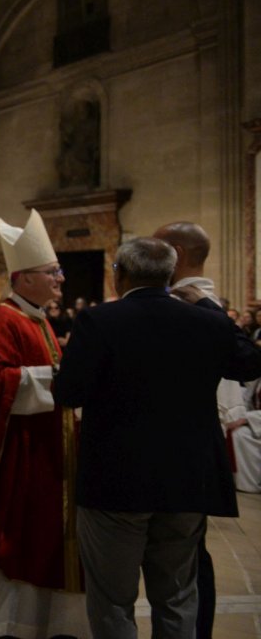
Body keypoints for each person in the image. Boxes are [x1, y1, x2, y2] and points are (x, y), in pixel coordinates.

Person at [55, 237, 261, 639]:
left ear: (119, 275)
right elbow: (249, 362)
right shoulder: (206, 321)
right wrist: (208, 306)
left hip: (116, 481)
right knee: (178, 596)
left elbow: (69, 394)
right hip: (186, 480)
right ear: (170, 276)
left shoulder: (99, 321)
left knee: (113, 599)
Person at [0, 208, 88, 639]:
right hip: (20, 456)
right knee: (22, 537)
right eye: (53, 272)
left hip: (47, 450)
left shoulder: (37, 317)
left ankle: (44, 623)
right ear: (24, 277)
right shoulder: (4, 319)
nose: (61, 280)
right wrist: (57, 379)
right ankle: (11, 623)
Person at [155, 220, 261, 637]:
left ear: (176, 254)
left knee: (189, 558)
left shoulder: (197, 305)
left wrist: (210, 308)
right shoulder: (173, 303)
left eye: (157, 246)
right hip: (167, 448)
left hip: (184, 450)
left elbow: (247, 362)